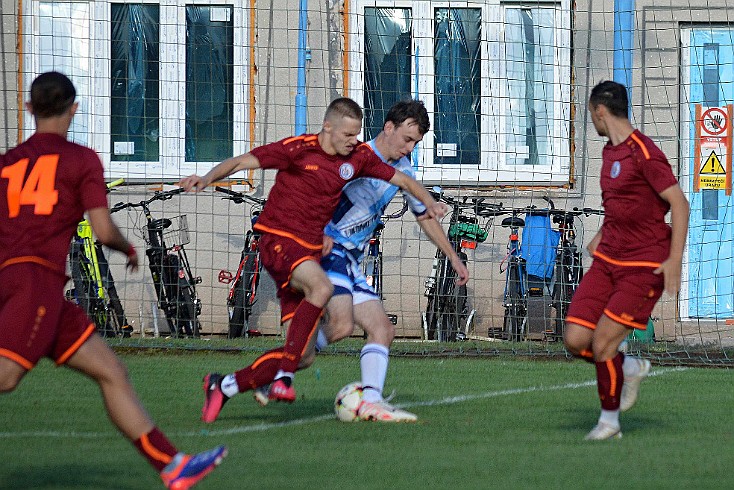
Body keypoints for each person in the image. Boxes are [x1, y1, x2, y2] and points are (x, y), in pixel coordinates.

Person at [0, 72, 227, 489]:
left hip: (25, 285)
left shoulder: (7, 163)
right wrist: (128, 249)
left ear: (29, 109)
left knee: (111, 370)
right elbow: (103, 230)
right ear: (74, 108)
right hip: (36, 284)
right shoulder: (80, 159)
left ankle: (172, 466)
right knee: (7, 377)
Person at [179, 97, 447, 423]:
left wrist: (429, 202)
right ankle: (284, 379)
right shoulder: (298, 149)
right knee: (323, 293)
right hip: (280, 241)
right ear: (328, 127)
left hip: (310, 254)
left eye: (356, 134)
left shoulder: (358, 158)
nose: (354, 141)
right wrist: (206, 178)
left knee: (304, 353)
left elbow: (404, 181)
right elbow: (241, 162)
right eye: (348, 134)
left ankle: (224, 385)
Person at [251, 99, 469, 422]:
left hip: (352, 259)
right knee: (342, 322)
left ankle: (354, 394)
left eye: (416, 143)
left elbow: (424, 216)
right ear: (388, 128)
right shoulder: (353, 157)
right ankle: (287, 370)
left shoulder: (403, 171)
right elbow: (315, 194)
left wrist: (452, 256)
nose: (410, 148)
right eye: (407, 139)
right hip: (328, 252)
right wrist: (318, 231)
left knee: (378, 329)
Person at [563, 80, 689, 440]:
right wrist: (601, 236)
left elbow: (679, 204)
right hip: (608, 259)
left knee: (603, 343)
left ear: (599, 111)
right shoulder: (609, 152)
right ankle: (629, 366)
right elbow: (620, 204)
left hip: (643, 263)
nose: (593, 122)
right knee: (575, 339)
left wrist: (674, 261)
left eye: (591, 115)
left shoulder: (644, 153)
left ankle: (609, 423)